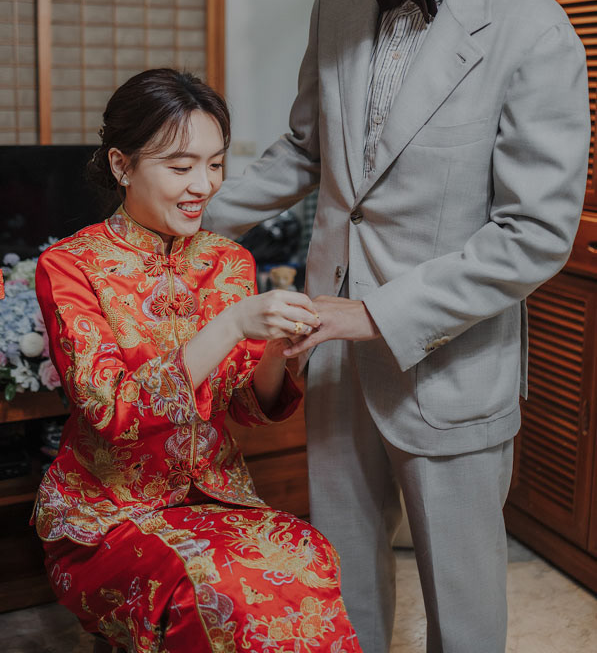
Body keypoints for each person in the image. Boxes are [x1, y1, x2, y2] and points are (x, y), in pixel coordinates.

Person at [202, 0, 591, 653]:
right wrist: (189, 215)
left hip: (449, 361)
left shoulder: (534, 32)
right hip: (333, 357)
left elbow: (534, 234)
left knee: (461, 604)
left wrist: (373, 313)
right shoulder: (336, 5)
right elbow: (306, 150)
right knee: (341, 579)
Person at [32, 68, 362, 653]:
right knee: (215, 588)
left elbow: (251, 408)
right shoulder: (71, 266)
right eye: (181, 167)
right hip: (106, 515)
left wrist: (278, 347)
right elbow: (111, 411)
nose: (203, 186)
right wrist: (230, 325)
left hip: (216, 496)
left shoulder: (229, 262)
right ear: (122, 166)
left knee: (309, 553)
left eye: (215, 164)